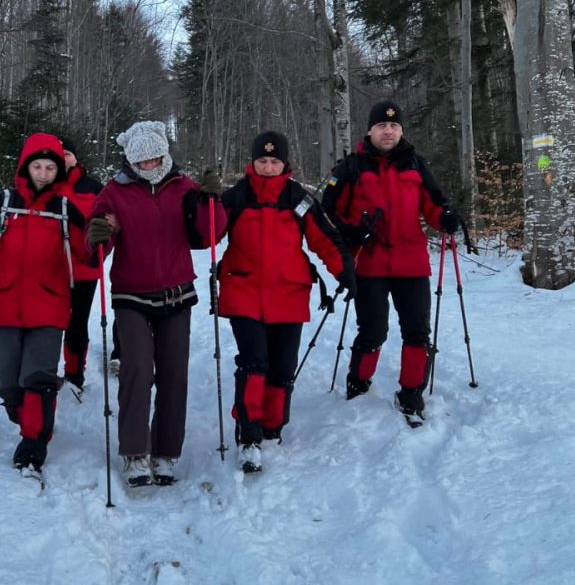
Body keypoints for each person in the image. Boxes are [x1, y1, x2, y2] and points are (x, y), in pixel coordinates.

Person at [86, 120, 227, 487]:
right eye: (141, 160)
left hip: (176, 293)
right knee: (136, 369)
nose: (149, 165)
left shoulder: (183, 187)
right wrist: (100, 233)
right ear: (130, 160)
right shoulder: (114, 191)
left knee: (173, 373)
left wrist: (211, 201)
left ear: (165, 154)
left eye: (155, 158)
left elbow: (208, 235)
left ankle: (166, 452)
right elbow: (97, 239)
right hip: (131, 294)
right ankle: (135, 452)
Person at [218, 131, 356, 473]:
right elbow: (207, 233)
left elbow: (325, 239)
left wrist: (345, 272)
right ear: (252, 162)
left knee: (281, 366)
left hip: (289, 293)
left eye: (274, 161)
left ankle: (272, 425)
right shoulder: (235, 197)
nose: (267, 167)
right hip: (243, 291)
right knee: (254, 361)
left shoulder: (298, 198)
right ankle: (248, 434)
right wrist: (205, 203)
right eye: (262, 161)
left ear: (285, 164)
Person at [321, 101, 460, 427]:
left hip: (411, 263)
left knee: (417, 331)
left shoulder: (415, 165)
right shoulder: (351, 167)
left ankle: (411, 393)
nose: (388, 130)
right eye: (382, 125)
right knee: (372, 330)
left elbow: (434, 206)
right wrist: (352, 230)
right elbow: (326, 213)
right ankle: (359, 381)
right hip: (369, 264)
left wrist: (447, 218)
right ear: (370, 129)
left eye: (394, 126)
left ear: (401, 131)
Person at [0, 133, 88, 471]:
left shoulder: (65, 210)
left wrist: (101, 236)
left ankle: (34, 443)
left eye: (50, 167)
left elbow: (87, 256)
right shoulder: (0, 205)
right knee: (10, 380)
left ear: (58, 170)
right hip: (3, 306)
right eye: (37, 166)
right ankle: (23, 414)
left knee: (39, 378)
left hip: (49, 306)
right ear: (25, 167)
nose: (43, 173)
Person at [55, 137, 103, 397]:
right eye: (58, 154)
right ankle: (43, 372)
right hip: (50, 268)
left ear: (75, 157)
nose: (63, 158)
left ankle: (74, 373)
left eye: (67, 153)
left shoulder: (93, 186)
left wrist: (99, 253)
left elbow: (107, 225)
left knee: (77, 322)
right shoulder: (45, 183)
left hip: (84, 268)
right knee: (49, 321)